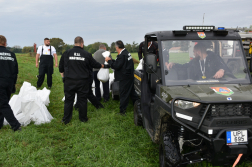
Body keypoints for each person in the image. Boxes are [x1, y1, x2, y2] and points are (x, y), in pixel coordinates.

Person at [59, 36, 106, 124]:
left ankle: (66, 120)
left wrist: (63, 77)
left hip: (69, 81)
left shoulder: (66, 53)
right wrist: (103, 65)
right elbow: (94, 64)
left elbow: (61, 68)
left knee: (68, 100)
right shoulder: (86, 54)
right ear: (82, 43)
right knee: (82, 100)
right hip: (82, 81)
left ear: (74, 43)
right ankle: (83, 119)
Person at [105, 40, 139, 115]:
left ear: (117, 47)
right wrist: (111, 60)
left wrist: (109, 61)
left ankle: (122, 111)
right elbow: (120, 63)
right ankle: (138, 106)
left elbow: (116, 66)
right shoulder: (126, 53)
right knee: (132, 92)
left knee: (123, 94)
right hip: (129, 76)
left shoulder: (122, 55)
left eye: (115, 47)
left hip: (124, 78)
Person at [0, 35, 21, 131]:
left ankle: (15, 125)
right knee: (3, 102)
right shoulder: (11, 54)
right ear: (4, 43)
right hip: (9, 82)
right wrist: (13, 84)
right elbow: (15, 71)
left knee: (3, 104)